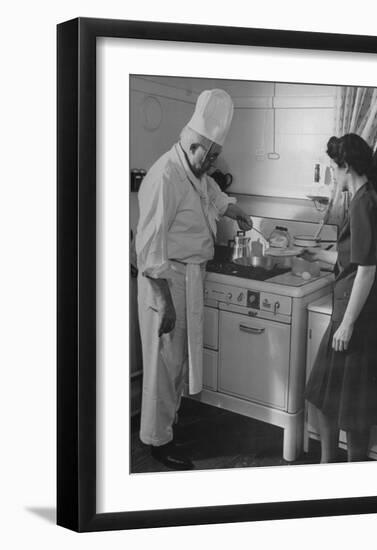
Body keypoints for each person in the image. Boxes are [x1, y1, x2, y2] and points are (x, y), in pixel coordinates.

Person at [135, 89, 252, 470]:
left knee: (180, 362)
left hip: (190, 276)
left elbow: (214, 198)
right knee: (163, 363)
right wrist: (165, 301)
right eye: (212, 155)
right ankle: (155, 442)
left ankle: (169, 424)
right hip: (165, 280)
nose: (215, 163)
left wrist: (236, 211)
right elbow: (148, 247)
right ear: (196, 144)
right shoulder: (164, 175)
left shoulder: (196, 170)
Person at [304, 133, 377, 463]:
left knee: (344, 404)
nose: (332, 176)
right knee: (333, 397)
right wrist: (313, 254)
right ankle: (331, 465)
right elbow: (350, 259)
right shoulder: (365, 199)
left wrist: (347, 325)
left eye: (334, 170)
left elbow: (366, 270)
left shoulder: (364, 204)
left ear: (347, 167)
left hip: (355, 318)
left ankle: (345, 474)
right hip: (352, 312)